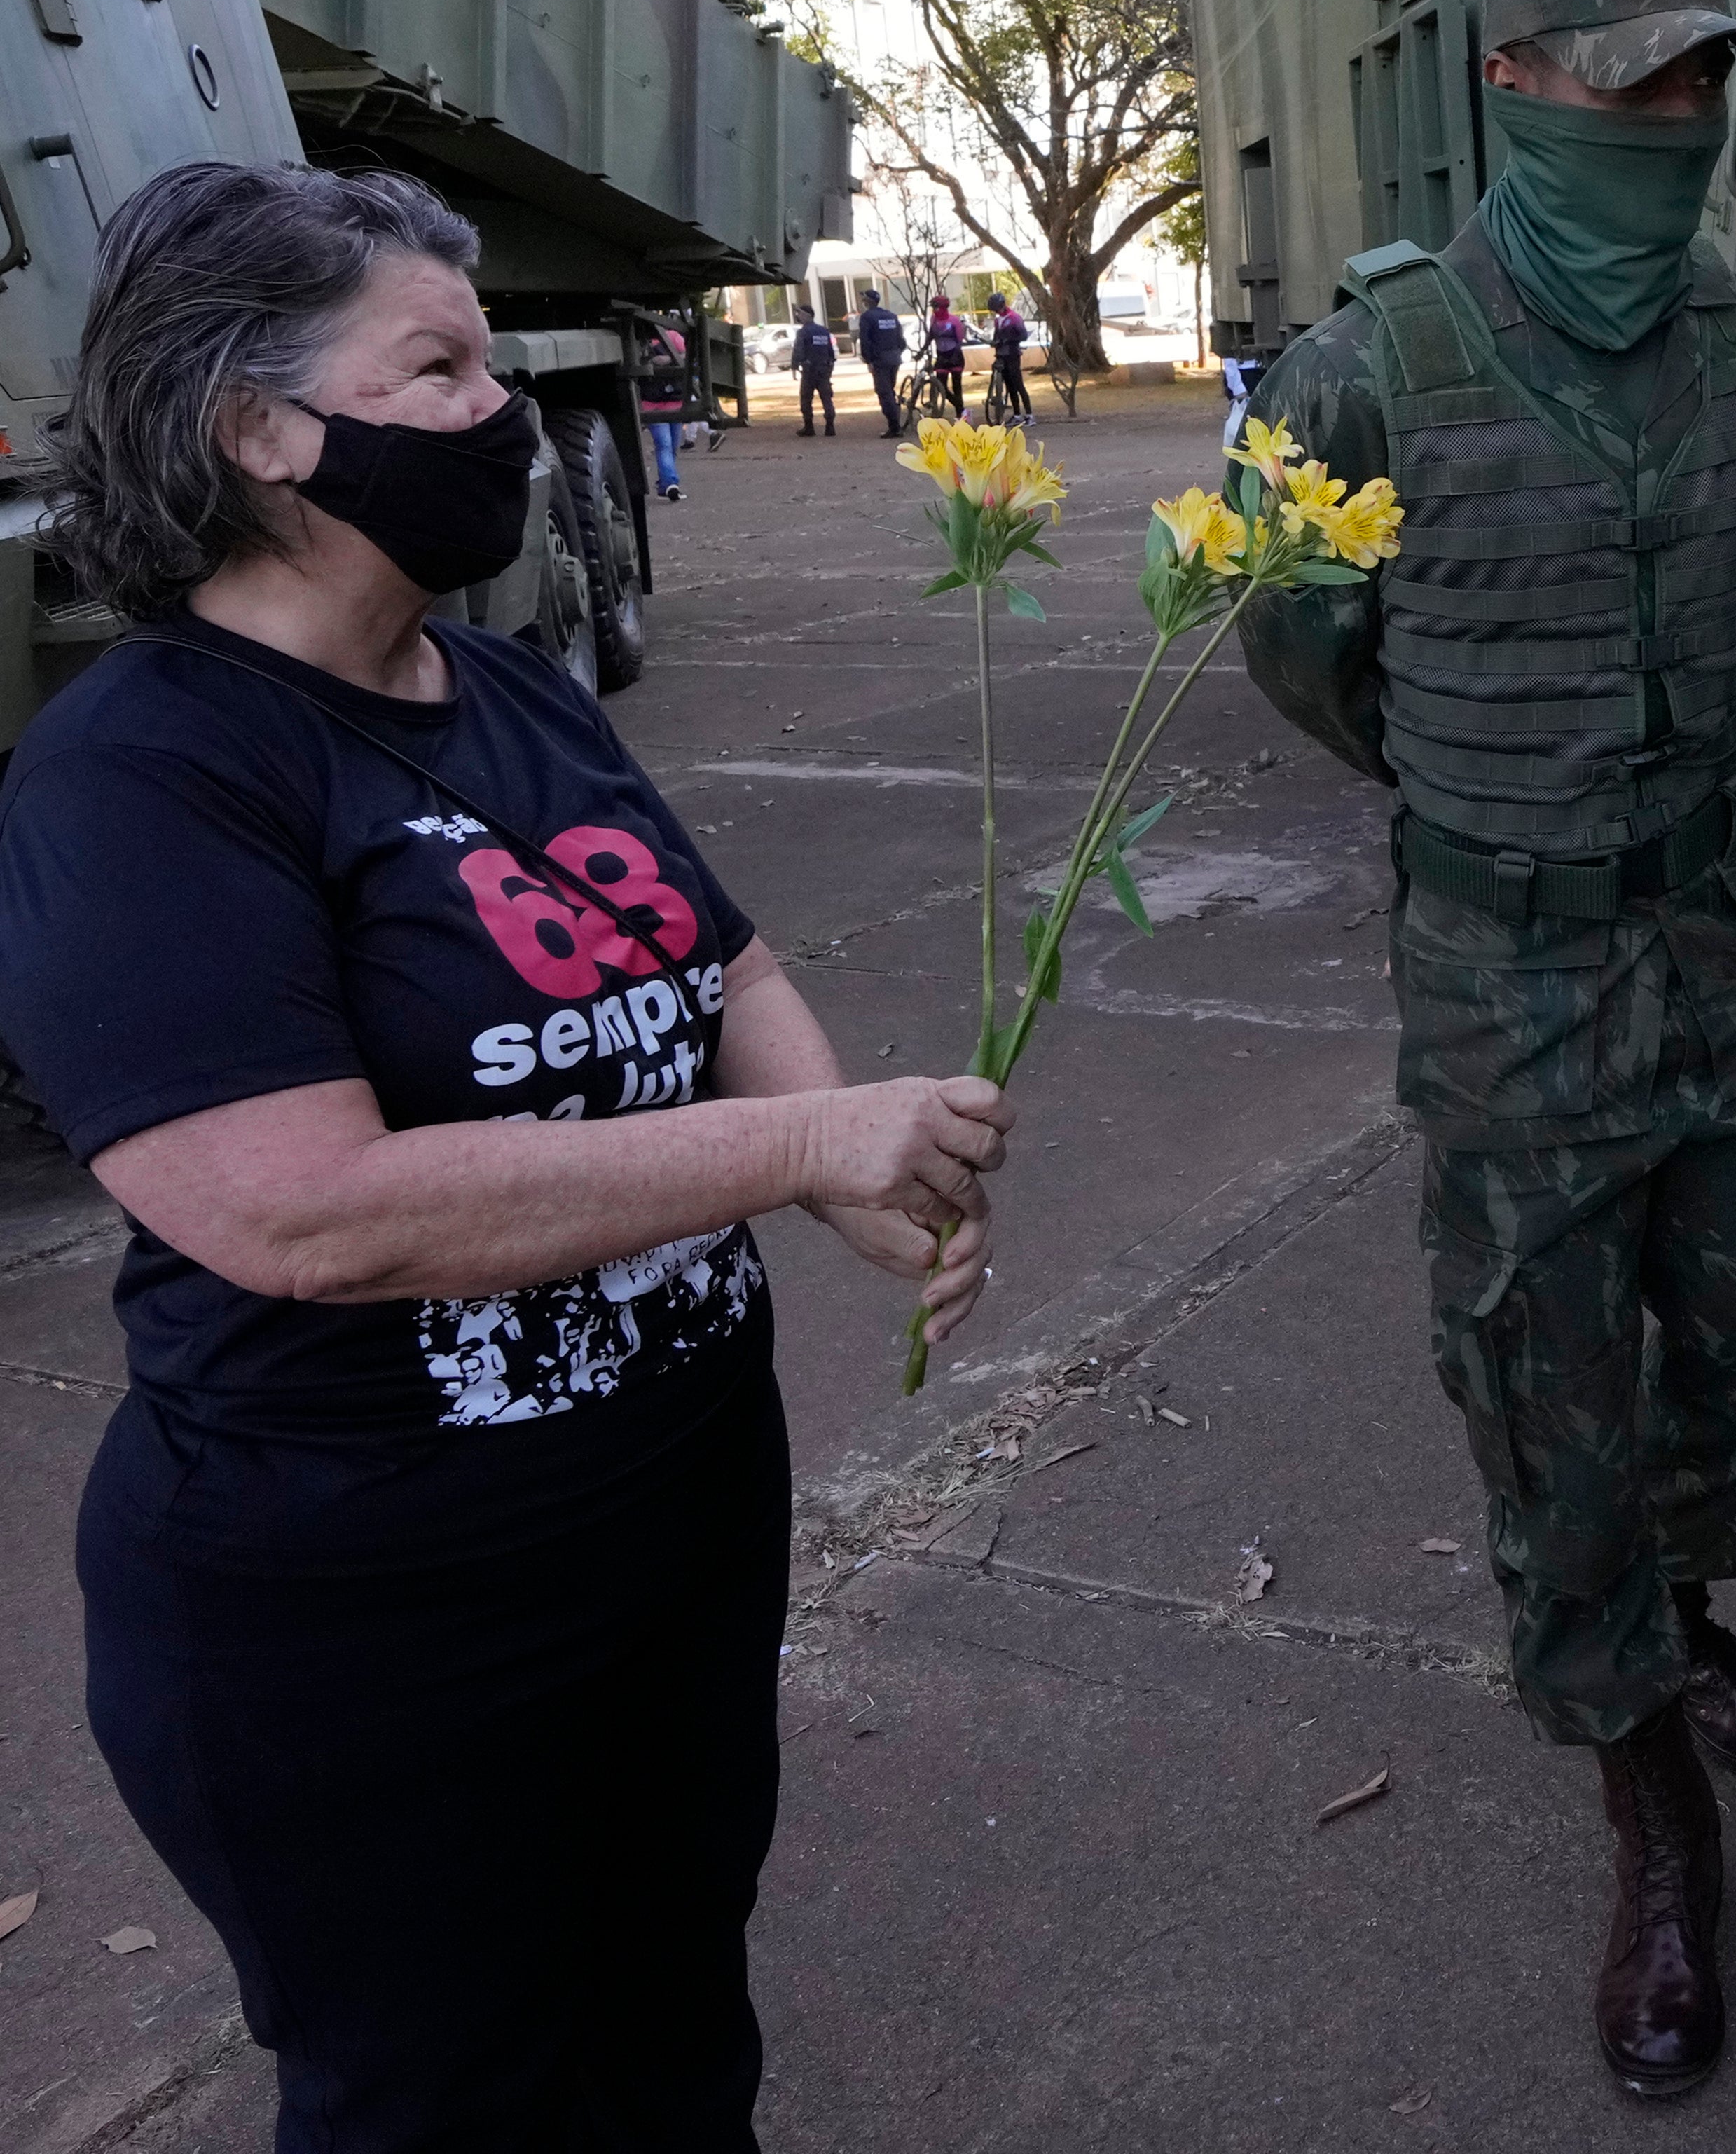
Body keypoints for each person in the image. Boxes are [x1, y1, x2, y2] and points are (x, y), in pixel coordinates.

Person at [0, 162, 1012, 2147]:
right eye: (439, 365)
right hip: (371, 1621)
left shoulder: (518, 690)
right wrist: (797, 1135)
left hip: (666, 1535)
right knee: (451, 2094)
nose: (501, 407)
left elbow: (721, 951)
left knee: (670, 2038)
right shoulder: (143, 774)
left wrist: (834, 1171)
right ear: (263, 430)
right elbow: (300, 1212)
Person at [1234, 0, 1736, 2099]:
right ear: (1512, 88)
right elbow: (1304, 651)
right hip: (1512, 974)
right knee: (1551, 1400)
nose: (1675, 115)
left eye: (1702, 78)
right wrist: (1486, 804)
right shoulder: (1365, 373)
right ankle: (1647, 1795)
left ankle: (1665, 1619)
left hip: (1717, 937)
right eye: (1630, 78)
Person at [644, 322, 689, 500]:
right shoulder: (642, 343)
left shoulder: (673, 337)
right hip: (653, 405)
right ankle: (671, 483)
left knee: (672, 446)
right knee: (664, 444)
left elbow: (686, 356)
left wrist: (669, 359)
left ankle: (664, 485)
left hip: (674, 403)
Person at [857, 291, 907, 439]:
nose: (862, 301)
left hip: (880, 360)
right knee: (890, 391)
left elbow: (865, 341)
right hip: (894, 358)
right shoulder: (891, 316)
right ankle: (895, 423)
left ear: (868, 301)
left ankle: (895, 427)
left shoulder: (867, 317)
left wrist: (869, 360)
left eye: (863, 298)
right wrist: (897, 352)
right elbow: (901, 339)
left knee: (884, 393)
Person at [984, 294, 1031, 423]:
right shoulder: (998, 320)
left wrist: (1007, 340)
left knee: (1018, 385)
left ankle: (1029, 415)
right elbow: (996, 336)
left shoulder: (1015, 318)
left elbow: (1023, 336)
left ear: (1003, 305)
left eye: (998, 308)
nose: (997, 312)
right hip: (1001, 355)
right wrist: (994, 342)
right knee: (1010, 387)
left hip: (1012, 355)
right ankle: (1017, 415)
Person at [790, 309, 836, 436]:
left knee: (806, 398)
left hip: (810, 371)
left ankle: (809, 427)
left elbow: (798, 350)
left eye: (800, 314)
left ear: (808, 315)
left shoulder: (803, 332)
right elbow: (830, 351)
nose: (798, 316)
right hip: (824, 369)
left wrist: (794, 367)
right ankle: (830, 426)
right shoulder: (823, 331)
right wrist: (830, 368)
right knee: (827, 398)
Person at [926, 297, 969, 418]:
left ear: (944, 307)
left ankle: (960, 416)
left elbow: (959, 340)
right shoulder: (933, 320)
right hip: (941, 356)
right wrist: (924, 349)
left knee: (957, 388)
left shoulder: (954, 321)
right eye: (933, 307)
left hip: (955, 356)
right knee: (941, 387)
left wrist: (954, 357)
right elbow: (931, 336)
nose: (934, 310)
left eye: (936, 307)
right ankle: (960, 408)